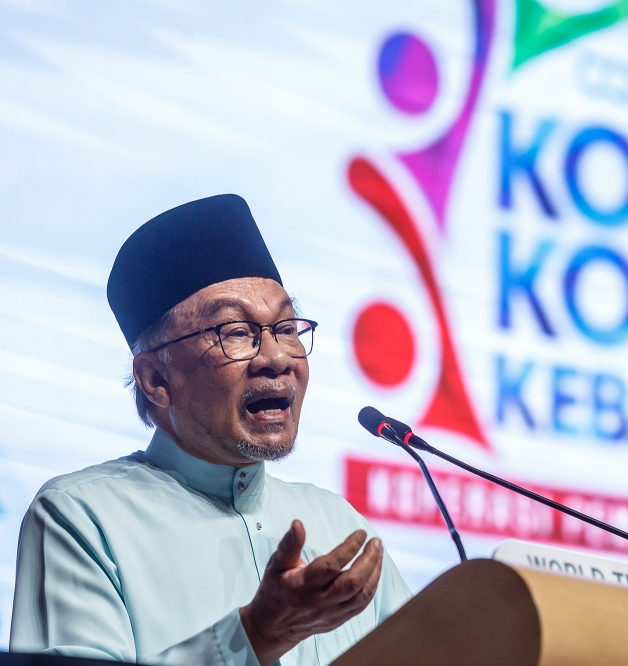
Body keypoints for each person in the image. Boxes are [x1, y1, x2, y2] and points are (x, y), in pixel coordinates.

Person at [10, 194, 412, 665]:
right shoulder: (81, 518)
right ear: (156, 379)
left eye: (286, 327)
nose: (277, 357)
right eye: (236, 332)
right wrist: (255, 636)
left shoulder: (338, 524)